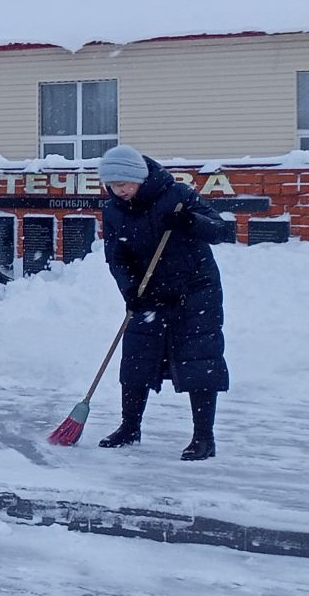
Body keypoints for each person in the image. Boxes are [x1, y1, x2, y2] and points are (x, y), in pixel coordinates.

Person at [94, 145, 230, 461]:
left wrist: (189, 221)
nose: (120, 191)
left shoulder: (178, 195)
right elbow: (116, 256)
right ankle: (130, 428)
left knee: (199, 362)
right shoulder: (114, 209)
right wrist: (130, 290)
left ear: (139, 177)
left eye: (124, 184)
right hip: (149, 293)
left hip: (195, 291)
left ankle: (203, 438)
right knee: (136, 361)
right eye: (113, 185)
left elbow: (221, 230)